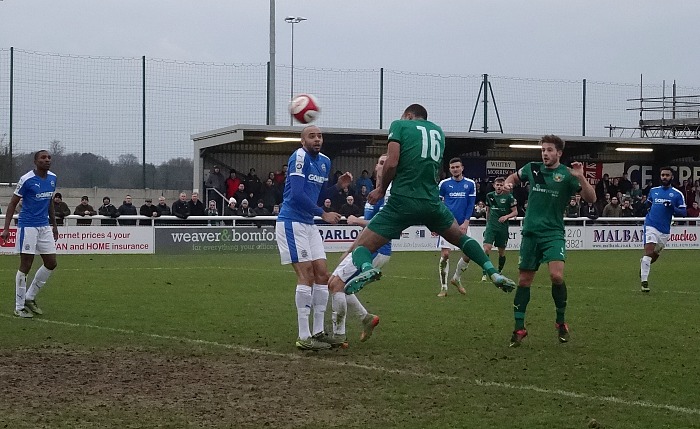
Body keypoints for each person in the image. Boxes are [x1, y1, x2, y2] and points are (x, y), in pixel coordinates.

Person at [342, 104, 516, 299]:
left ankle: (367, 268)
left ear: (408, 115)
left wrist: (381, 189)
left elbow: (392, 162)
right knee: (461, 239)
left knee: (362, 247)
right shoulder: (438, 132)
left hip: (402, 201)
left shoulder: (400, 125)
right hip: (431, 202)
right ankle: (492, 271)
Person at [503, 134, 596, 347]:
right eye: (543, 150)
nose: (545, 153)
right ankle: (519, 328)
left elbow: (591, 198)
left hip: (553, 233)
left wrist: (581, 177)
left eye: (549, 150)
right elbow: (513, 178)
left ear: (559, 153)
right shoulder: (532, 168)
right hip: (530, 233)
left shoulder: (567, 175)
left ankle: (560, 322)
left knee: (556, 275)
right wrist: (508, 184)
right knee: (525, 281)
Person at [275, 124, 352, 351]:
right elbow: (297, 195)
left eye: (319, 136)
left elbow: (318, 194)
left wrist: (338, 186)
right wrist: (323, 213)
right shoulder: (299, 157)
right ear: (303, 141)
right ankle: (303, 335)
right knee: (306, 274)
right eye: (312, 136)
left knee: (322, 274)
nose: (317, 139)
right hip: (291, 222)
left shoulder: (325, 162)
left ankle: (318, 331)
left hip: (308, 224)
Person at [328, 154, 390, 346]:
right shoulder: (374, 192)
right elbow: (368, 231)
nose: (381, 166)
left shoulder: (389, 193)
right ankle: (366, 319)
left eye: (386, 164)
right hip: (366, 247)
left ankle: (339, 336)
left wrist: (356, 220)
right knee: (338, 285)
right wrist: (350, 250)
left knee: (335, 285)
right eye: (380, 163)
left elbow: (385, 224)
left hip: (377, 250)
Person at [0, 150, 59, 318]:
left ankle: (29, 297)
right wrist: (6, 228)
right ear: (36, 161)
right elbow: (12, 204)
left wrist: (54, 225)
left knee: (51, 263)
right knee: (26, 265)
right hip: (28, 226)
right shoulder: (26, 179)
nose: (47, 160)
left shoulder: (53, 178)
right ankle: (19, 307)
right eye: (43, 158)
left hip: (44, 226)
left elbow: (49, 202)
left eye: (49, 157)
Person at [640, 167, 687, 293]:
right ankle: (644, 282)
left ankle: (644, 265)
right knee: (649, 251)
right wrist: (649, 211)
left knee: (653, 256)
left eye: (667, 175)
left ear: (671, 177)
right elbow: (648, 204)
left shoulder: (677, 194)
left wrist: (672, 207)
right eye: (662, 175)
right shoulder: (654, 191)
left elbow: (683, 212)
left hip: (664, 230)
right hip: (651, 225)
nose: (664, 177)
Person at [436, 157, 476, 297]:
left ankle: (456, 278)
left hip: (463, 224)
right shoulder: (444, 184)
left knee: (468, 254)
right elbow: (438, 204)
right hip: (446, 224)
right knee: (446, 255)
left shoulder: (470, 184)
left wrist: (466, 223)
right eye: (452, 167)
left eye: (457, 167)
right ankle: (444, 287)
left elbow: (470, 204)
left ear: (462, 168)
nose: (455, 169)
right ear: (450, 169)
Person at [481, 177, 518, 282]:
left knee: (501, 252)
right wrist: (487, 223)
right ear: (494, 185)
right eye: (497, 185)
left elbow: (515, 212)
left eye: (501, 185)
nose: (499, 187)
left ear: (504, 186)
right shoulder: (490, 196)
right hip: (491, 226)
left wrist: (506, 216)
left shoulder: (509, 197)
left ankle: (499, 270)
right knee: (487, 248)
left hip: (502, 227)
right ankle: (485, 273)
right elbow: (488, 210)